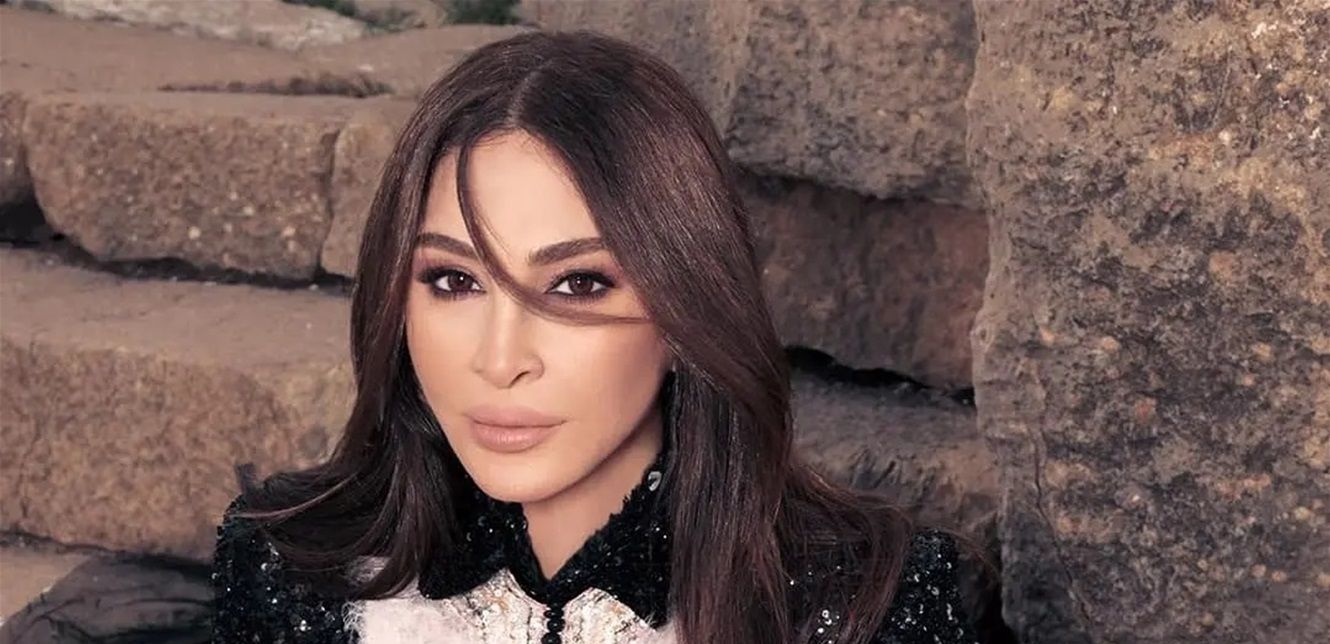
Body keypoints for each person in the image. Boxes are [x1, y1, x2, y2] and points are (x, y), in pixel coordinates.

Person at [208, 29, 982, 644]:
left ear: (686, 310)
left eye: (577, 285)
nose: (500, 361)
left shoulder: (876, 608)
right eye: (454, 281)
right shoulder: (291, 566)